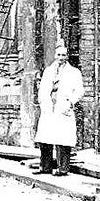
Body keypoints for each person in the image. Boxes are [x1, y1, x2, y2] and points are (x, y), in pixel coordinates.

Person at [34, 43, 84, 177]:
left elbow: (79, 91)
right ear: (55, 56)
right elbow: (43, 89)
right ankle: (45, 167)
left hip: (63, 107)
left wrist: (70, 102)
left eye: (63, 55)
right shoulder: (49, 71)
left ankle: (62, 169)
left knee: (63, 139)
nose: (61, 57)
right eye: (58, 55)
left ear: (67, 57)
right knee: (45, 138)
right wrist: (43, 102)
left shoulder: (74, 72)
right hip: (49, 106)